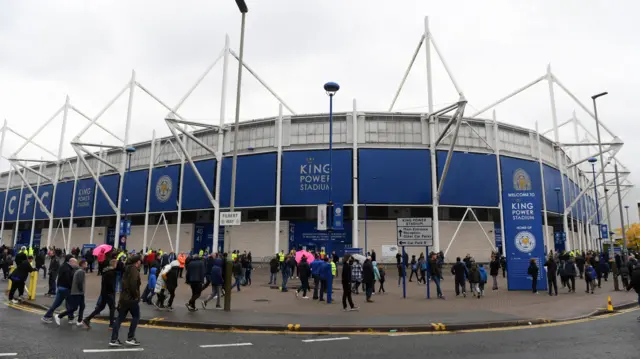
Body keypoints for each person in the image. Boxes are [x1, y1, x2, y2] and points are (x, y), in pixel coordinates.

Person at [110, 255, 142, 347]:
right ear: (137, 262)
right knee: (136, 316)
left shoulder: (126, 268)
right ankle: (130, 338)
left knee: (120, 318)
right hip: (131, 299)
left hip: (123, 298)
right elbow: (133, 284)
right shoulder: (134, 270)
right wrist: (136, 296)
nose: (140, 263)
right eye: (140, 261)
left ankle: (114, 339)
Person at [83, 259, 117, 329]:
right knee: (112, 308)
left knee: (101, 307)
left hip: (104, 292)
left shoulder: (105, 271)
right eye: (116, 263)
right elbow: (110, 284)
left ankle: (87, 319)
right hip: (109, 293)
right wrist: (113, 292)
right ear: (114, 264)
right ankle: (111, 324)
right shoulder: (111, 273)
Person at [41, 257, 77, 323]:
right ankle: (71, 318)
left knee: (56, 304)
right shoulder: (68, 269)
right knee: (71, 304)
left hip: (60, 288)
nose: (76, 264)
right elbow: (68, 280)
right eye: (75, 263)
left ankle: (46, 316)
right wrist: (72, 287)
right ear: (71, 262)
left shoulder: (63, 266)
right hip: (66, 289)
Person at [55, 259, 87, 327]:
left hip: (79, 292)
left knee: (82, 306)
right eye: (86, 264)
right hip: (78, 292)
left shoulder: (78, 270)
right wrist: (81, 290)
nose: (86, 265)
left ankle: (79, 321)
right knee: (74, 308)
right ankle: (59, 316)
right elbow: (80, 282)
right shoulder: (81, 271)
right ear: (83, 264)